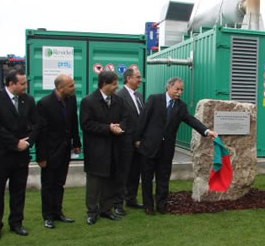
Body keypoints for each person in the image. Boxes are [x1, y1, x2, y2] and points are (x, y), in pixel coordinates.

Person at [134, 77, 217, 215]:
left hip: (166, 149)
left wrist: (207, 131)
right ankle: (148, 206)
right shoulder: (154, 99)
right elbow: (143, 119)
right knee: (147, 178)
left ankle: (162, 205)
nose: (179, 92)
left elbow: (191, 120)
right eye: (177, 89)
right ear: (168, 87)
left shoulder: (181, 106)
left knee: (163, 178)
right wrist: (137, 139)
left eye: (181, 90)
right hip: (149, 147)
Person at [0, 68, 39, 241]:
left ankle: (16, 223)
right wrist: (15, 142)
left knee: (18, 191)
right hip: (1, 154)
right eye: (22, 83)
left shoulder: (28, 100)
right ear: (11, 84)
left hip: (21, 155)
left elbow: (37, 124)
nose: (25, 86)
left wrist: (28, 142)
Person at [80, 70, 129, 225]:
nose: (117, 87)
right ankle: (92, 212)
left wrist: (120, 127)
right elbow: (86, 124)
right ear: (104, 84)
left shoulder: (118, 100)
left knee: (110, 182)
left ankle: (106, 210)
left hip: (114, 149)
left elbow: (126, 118)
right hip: (96, 150)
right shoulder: (88, 101)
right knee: (94, 183)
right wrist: (108, 128)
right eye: (114, 84)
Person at [36, 74, 81, 229]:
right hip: (49, 152)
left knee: (60, 183)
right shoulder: (44, 104)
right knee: (48, 184)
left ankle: (57, 212)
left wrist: (76, 143)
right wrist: (41, 157)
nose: (74, 88)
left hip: (65, 151)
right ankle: (48, 216)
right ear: (60, 87)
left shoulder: (71, 100)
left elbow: (73, 122)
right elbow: (40, 133)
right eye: (70, 85)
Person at [116, 67, 144, 209]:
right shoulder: (119, 96)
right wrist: (132, 138)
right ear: (128, 78)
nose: (140, 79)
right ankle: (118, 204)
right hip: (126, 143)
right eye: (138, 77)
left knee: (135, 173)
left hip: (139, 143)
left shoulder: (138, 95)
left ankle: (131, 200)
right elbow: (120, 120)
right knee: (123, 174)